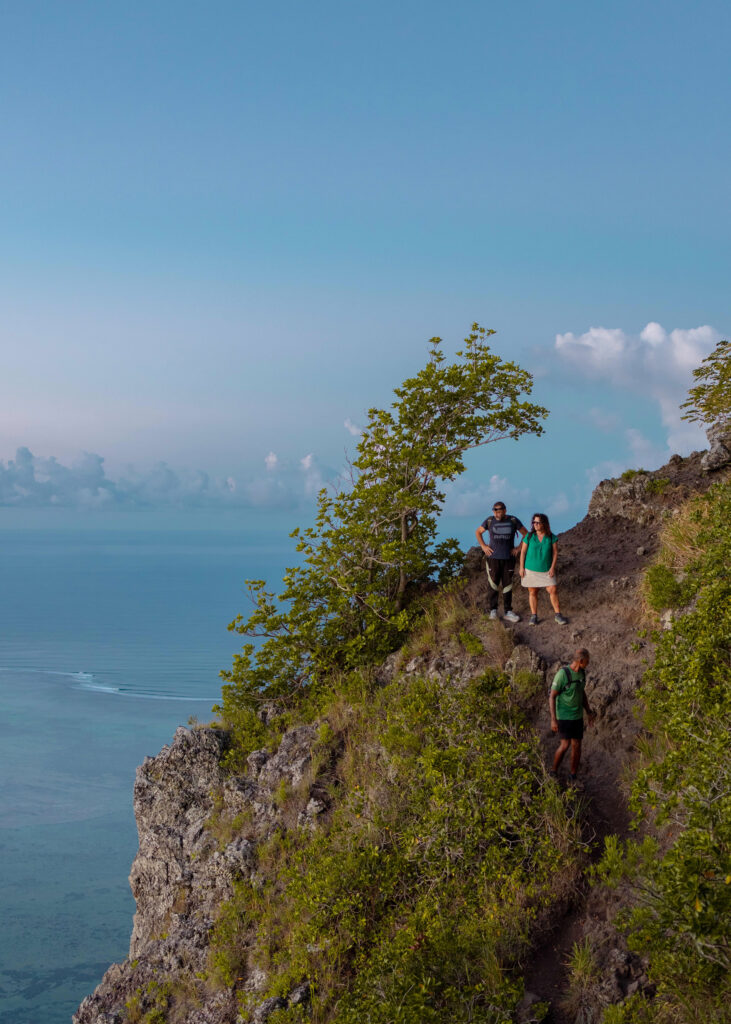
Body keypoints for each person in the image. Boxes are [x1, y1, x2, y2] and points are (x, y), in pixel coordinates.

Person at [475, 501, 527, 622]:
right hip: (493, 558)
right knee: (493, 584)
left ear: (505, 510)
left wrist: (518, 548)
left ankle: (508, 611)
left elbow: (526, 534)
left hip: (509, 558)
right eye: (495, 510)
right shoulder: (489, 521)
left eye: (500, 510)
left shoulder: (513, 520)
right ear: (493, 511)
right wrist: (483, 546)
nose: (497, 512)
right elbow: (478, 532)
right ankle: (493, 610)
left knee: (507, 584)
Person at [550, 648, 596, 781]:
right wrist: (553, 719)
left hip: (577, 716)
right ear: (581, 661)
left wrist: (588, 711)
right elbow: (552, 696)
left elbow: (582, 693)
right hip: (564, 716)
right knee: (565, 745)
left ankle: (573, 775)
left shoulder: (582, 674)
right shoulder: (562, 674)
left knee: (577, 745)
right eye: (587, 661)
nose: (588, 663)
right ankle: (553, 771)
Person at [519, 512, 568, 625]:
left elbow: (555, 553)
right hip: (530, 569)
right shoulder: (529, 536)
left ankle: (558, 615)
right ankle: (534, 616)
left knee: (552, 589)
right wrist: (521, 568)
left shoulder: (551, 537)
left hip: (546, 569)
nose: (535, 524)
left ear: (544, 524)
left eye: (538, 522)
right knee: (533, 592)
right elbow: (523, 552)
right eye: (534, 522)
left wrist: (552, 567)